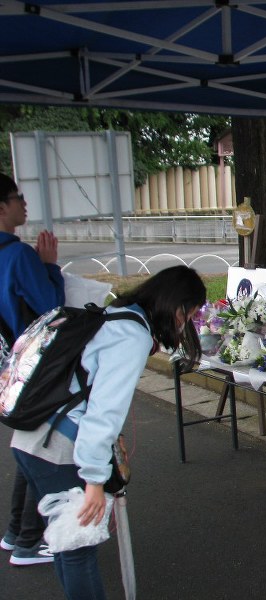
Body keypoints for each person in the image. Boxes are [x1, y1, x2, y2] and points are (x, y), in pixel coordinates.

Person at [11, 265, 206, 599]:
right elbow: (103, 413)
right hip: (60, 449)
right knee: (78, 549)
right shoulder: (133, 336)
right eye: (189, 315)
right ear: (177, 308)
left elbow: (87, 386)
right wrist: (94, 480)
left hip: (34, 438)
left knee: (66, 542)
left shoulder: (117, 314)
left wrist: (111, 447)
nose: (186, 324)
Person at [0, 173, 65, 567]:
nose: (24, 203)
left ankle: (15, 532)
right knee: (41, 448)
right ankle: (28, 540)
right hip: (34, 365)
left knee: (28, 443)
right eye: (17, 197)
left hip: (8, 367)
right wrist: (50, 268)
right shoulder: (19, 256)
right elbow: (51, 310)